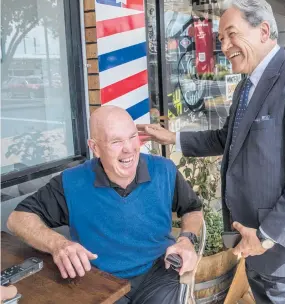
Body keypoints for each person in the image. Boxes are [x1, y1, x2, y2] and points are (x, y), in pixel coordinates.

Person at [138, 0, 285, 304]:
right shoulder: (246, 86)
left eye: (231, 33)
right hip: (256, 249)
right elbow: (227, 138)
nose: (225, 45)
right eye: (221, 38)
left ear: (263, 31)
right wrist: (172, 138)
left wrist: (265, 236)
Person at [7, 106, 203, 304]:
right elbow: (17, 219)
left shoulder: (164, 169)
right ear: (95, 147)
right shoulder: (71, 182)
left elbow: (192, 209)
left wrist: (186, 240)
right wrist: (58, 244)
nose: (129, 148)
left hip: (158, 272)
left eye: (132, 136)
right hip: (100, 280)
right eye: (116, 141)